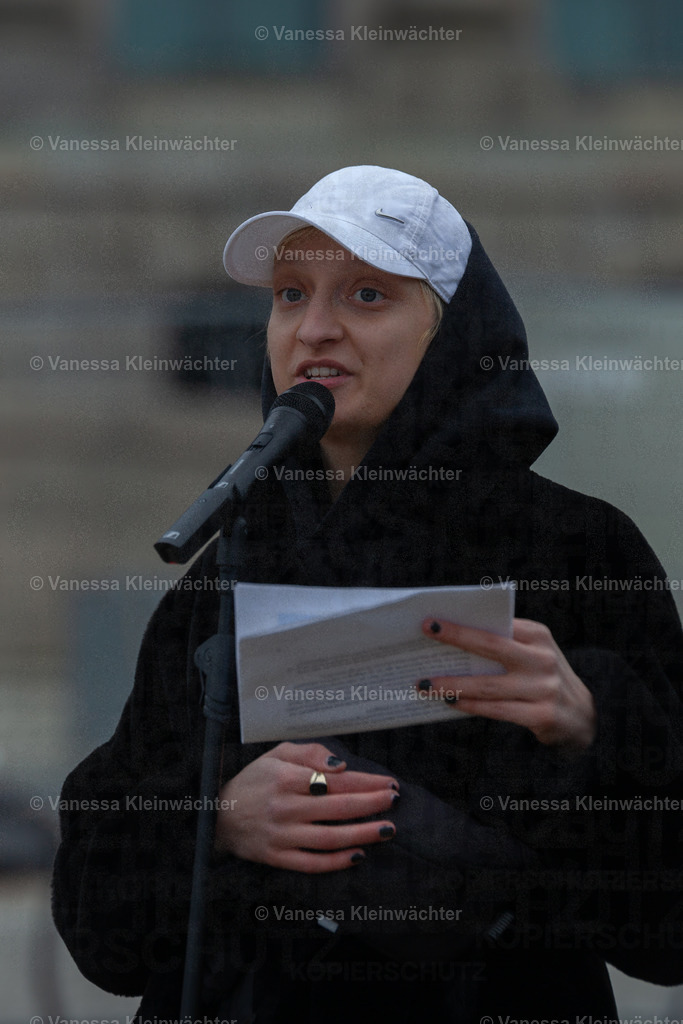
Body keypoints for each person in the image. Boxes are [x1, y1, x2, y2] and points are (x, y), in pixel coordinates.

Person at [52, 166, 683, 1022]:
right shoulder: (231, 559)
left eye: (365, 295)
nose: (314, 328)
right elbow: (101, 935)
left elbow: (666, 932)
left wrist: (590, 732)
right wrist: (215, 824)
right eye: (288, 294)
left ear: (453, 336)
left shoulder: (574, 549)